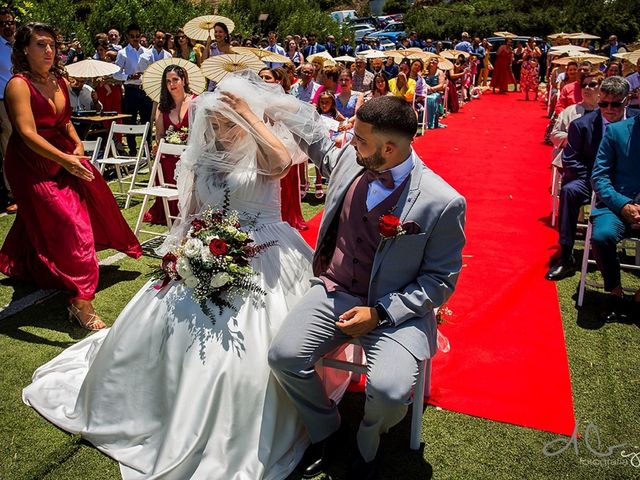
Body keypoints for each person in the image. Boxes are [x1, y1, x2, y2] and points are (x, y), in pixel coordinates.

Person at [22, 72, 351, 479]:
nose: (218, 130)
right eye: (213, 123)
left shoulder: (263, 151)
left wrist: (248, 113)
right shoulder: (204, 159)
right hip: (209, 246)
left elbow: (282, 162)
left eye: (226, 123)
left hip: (268, 250)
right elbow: (191, 213)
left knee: (248, 354)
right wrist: (183, 248)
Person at [269, 95, 466, 479]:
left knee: (391, 393)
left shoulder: (443, 201)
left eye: (359, 139)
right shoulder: (350, 160)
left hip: (396, 312)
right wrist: (270, 102)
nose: (350, 142)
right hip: (335, 289)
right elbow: (317, 140)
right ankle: (328, 429)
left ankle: (367, 442)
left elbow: (440, 281)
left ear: (389, 148)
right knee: (284, 357)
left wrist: (380, 313)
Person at [0, 22, 141, 330]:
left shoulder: (59, 79)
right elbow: (26, 133)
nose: (49, 50)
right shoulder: (18, 85)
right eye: (40, 44)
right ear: (24, 49)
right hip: (29, 163)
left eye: (52, 44)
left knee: (71, 208)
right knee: (68, 222)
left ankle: (21, 264)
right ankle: (80, 302)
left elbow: (64, 122)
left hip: (64, 155)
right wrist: (64, 158)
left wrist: (76, 143)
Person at [545, 76, 638, 282]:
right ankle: (566, 254)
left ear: (627, 100)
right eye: (603, 103)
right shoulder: (582, 125)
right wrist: (597, 184)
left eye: (615, 104)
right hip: (589, 180)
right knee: (569, 190)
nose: (609, 109)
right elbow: (571, 161)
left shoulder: (636, 122)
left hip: (627, 184)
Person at [589, 78, 640, 321]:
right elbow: (599, 176)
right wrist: (623, 204)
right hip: (616, 204)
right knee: (602, 236)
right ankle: (615, 291)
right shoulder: (618, 131)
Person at [143, 65, 195, 225]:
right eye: (168, 81)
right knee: (164, 161)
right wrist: (162, 144)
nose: (172, 84)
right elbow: (159, 134)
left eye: (175, 80)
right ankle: (167, 209)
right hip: (170, 154)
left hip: (191, 154)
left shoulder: (195, 101)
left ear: (183, 80)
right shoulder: (162, 106)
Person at [114, 24, 153, 156]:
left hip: (145, 89)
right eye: (132, 36)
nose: (135, 38)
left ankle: (147, 150)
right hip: (130, 89)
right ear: (127, 37)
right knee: (129, 120)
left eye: (137, 36)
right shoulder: (122, 53)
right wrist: (129, 76)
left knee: (146, 120)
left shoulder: (148, 52)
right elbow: (116, 74)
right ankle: (132, 150)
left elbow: (152, 71)